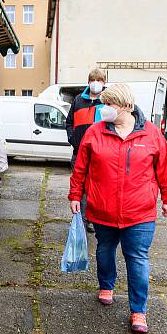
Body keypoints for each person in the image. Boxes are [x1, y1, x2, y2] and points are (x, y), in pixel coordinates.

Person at [68, 83, 167, 334]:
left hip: (139, 213)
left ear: (126, 106)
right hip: (103, 209)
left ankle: (138, 311)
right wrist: (75, 194)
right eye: (103, 103)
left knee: (137, 259)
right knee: (105, 250)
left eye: (109, 104)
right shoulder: (95, 133)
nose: (103, 109)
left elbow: (164, 170)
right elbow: (81, 169)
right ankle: (106, 285)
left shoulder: (151, 135)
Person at [65, 68, 107, 232]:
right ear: (89, 81)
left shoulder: (107, 101)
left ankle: (91, 219)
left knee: (95, 188)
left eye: (100, 80)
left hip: (98, 154)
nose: (96, 83)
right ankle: (79, 220)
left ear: (104, 83)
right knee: (78, 188)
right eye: (93, 80)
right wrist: (72, 138)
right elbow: (69, 122)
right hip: (79, 152)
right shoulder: (78, 100)